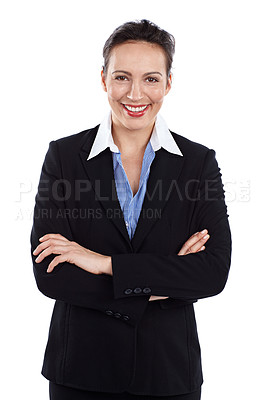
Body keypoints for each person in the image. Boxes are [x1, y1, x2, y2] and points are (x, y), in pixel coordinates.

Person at [31, 19, 231, 400]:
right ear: (104, 79)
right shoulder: (64, 157)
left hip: (169, 373)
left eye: (151, 79)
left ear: (168, 83)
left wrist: (102, 263)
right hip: (80, 372)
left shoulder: (197, 163)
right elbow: (51, 275)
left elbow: (213, 272)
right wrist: (164, 283)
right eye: (122, 77)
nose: (135, 93)